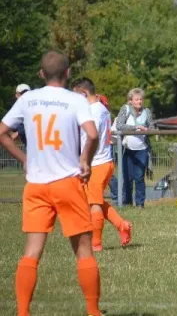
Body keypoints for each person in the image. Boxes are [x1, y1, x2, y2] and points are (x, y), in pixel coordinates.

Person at [0, 51, 103, 316]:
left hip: (36, 186)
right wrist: (85, 161)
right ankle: (93, 311)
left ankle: (22, 312)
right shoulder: (75, 100)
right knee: (84, 251)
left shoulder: (28, 99)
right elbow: (92, 134)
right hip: (67, 183)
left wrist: (24, 159)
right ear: (68, 73)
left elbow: (2, 132)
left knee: (31, 252)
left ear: (41, 74)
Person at [71, 78, 132, 251]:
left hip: (96, 163)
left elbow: (93, 137)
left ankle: (95, 244)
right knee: (95, 200)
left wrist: (85, 161)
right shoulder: (102, 109)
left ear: (83, 93)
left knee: (94, 204)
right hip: (105, 162)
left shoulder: (92, 112)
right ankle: (122, 225)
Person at [116, 88, 155, 207]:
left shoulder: (146, 111)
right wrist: (135, 127)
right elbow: (119, 125)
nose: (139, 101)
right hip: (126, 149)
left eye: (141, 99)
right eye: (136, 99)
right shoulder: (125, 109)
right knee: (127, 177)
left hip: (142, 149)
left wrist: (147, 130)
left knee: (139, 177)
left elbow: (152, 128)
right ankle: (127, 202)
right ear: (131, 101)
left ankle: (140, 204)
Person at [10, 84, 30, 149]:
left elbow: (32, 123)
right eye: (22, 93)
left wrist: (18, 133)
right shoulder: (17, 109)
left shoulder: (32, 107)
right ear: (17, 95)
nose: (25, 95)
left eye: (27, 93)